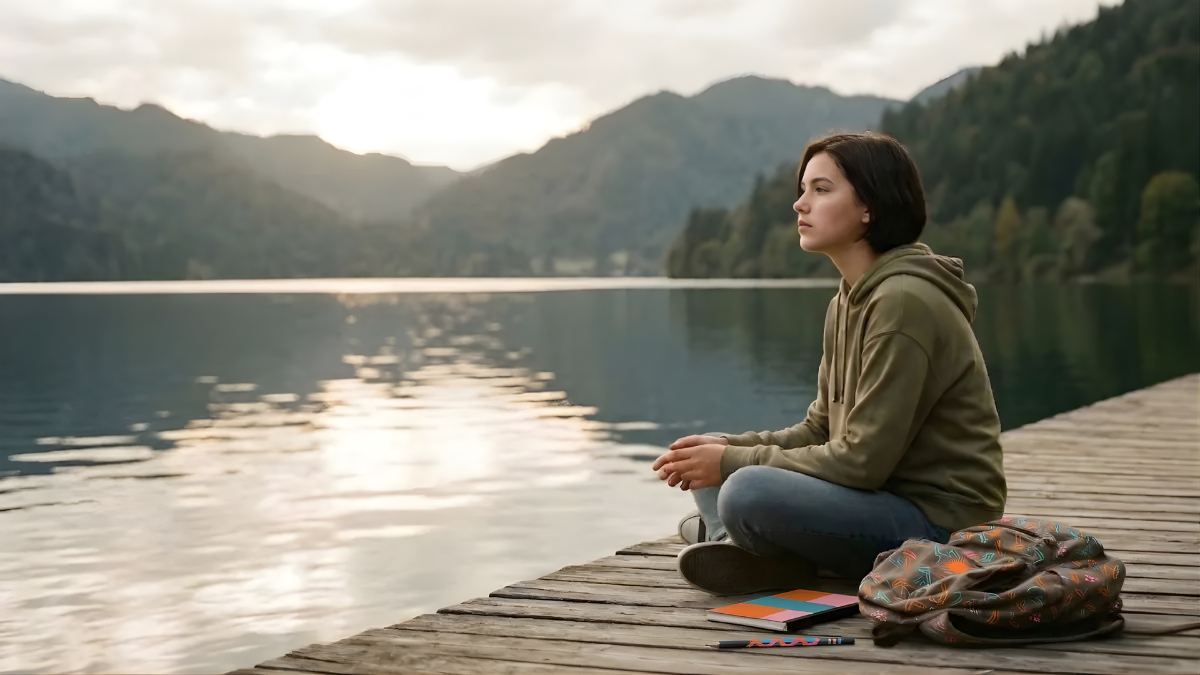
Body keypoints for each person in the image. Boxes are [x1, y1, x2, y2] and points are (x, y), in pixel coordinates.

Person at [651, 132, 1007, 596]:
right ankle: (742, 546)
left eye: (821, 190)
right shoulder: (848, 300)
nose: (800, 205)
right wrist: (723, 449)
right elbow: (820, 430)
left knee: (745, 490)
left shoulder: (903, 302)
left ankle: (739, 544)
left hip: (941, 524)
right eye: (802, 190)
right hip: (878, 500)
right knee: (710, 451)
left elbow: (862, 462)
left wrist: (734, 463)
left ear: (870, 207)